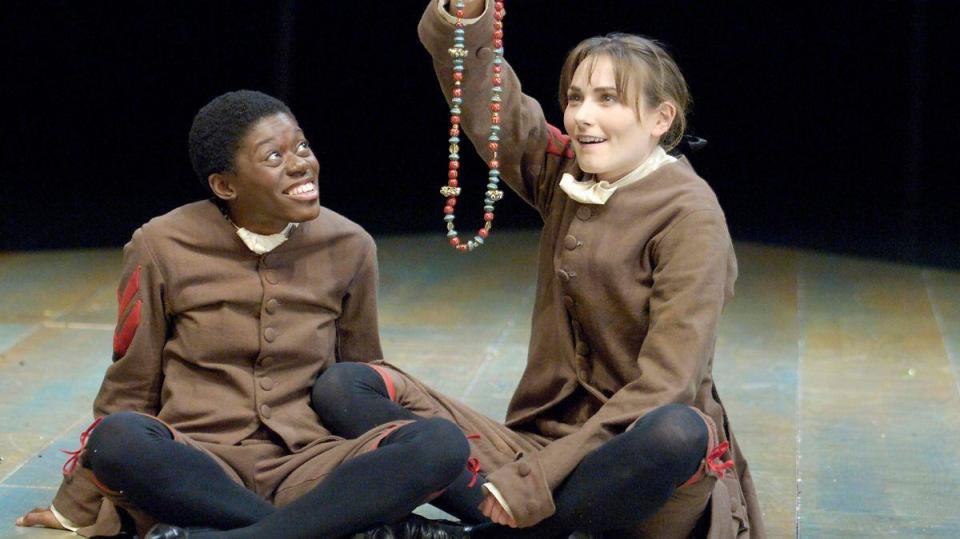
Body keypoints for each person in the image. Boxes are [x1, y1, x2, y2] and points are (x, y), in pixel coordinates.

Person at [309, 1, 765, 537]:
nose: (583, 116)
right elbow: (494, 110)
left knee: (677, 432)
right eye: (576, 98)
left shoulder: (690, 216)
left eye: (608, 99)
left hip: (632, 463)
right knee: (347, 386)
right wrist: (466, 15)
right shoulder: (571, 172)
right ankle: (545, 525)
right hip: (534, 447)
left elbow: (670, 385)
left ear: (661, 118)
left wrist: (538, 479)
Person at [15, 90, 475, 539]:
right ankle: (340, 527)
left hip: (311, 463)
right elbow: (130, 382)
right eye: (273, 157)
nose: (301, 163)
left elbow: (363, 376)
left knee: (439, 443)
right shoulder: (160, 245)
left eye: (302, 146)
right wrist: (74, 505)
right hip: (200, 467)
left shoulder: (351, 245)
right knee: (118, 440)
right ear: (225, 185)